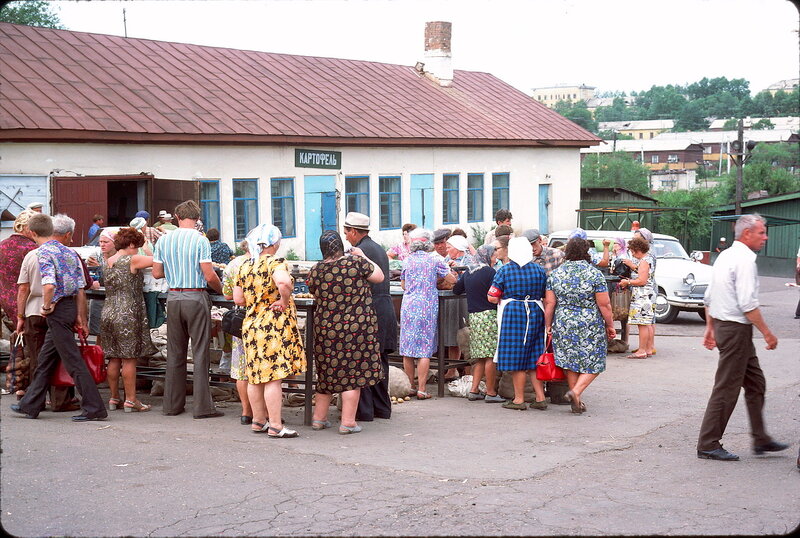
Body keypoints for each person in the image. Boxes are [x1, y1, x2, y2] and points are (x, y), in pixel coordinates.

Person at [697, 214, 788, 461]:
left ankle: (761, 439)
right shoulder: (745, 260)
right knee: (726, 388)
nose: (765, 237)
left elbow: (709, 296)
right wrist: (768, 334)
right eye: (762, 232)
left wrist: (710, 327)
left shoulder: (726, 255)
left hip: (731, 328)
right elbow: (748, 305)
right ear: (747, 233)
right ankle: (708, 443)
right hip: (736, 329)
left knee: (756, 383)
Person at [10, 213, 107, 422]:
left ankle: (94, 407)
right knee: (46, 359)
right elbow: (80, 288)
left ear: (34, 233)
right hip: (69, 307)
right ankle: (30, 404)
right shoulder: (70, 253)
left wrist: (46, 306)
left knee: (72, 361)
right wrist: (81, 317)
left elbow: (49, 284)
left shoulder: (42, 253)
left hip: (56, 309)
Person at [307, 230, 385, 434]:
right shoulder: (356, 263)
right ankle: (348, 422)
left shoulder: (316, 270)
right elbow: (379, 276)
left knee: (326, 373)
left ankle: (319, 419)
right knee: (354, 374)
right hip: (356, 329)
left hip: (326, 329)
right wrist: (363, 255)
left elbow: (313, 290)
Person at [152, 200, 223, 419]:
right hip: (195, 295)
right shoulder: (200, 240)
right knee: (200, 352)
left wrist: (175, 271)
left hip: (173, 296)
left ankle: (172, 405)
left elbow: (156, 273)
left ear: (176, 216)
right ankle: (203, 407)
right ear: (197, 218)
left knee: (175, 352)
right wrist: (220, 289)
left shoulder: (164, 240)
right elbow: (209, 274)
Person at [233, 223, 305, 438]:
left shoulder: (245, 265)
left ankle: (258, 421)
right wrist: (283, 300)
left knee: (255, 377)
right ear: (274, 243)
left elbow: (238, 298)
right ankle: (275, 425)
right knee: (274, 378)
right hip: (272, 326)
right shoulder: (276, 262)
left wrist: (256, 300)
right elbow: (283, 282)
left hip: (251, 325)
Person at [544, 237, 616, 414]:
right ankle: (576, 392)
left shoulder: (556, 274)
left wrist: (548, 326)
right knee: (596, 360)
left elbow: (550, 304)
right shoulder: (594, 274)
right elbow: (604, 304)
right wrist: (610, 325)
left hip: (563, 322)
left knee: (570, 361)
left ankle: (576, 399)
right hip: (589, 322)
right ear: (586, 252)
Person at [343, 212, 397, 421]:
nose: (346, 236)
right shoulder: (378, 249)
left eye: (347, 232)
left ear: (355, 232)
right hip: (384, 308)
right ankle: (381, 408)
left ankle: (364, 411)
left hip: (370, 310)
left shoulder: (360, 252)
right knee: (380, 360)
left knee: (363, 361)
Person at [100, 227, 158, 413]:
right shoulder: (133, 259)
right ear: (132, 244)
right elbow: (158, 261)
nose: (138, 249)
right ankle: (131, 400)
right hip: (127, 312)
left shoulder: (109, 261)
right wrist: (148, 247)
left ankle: (114, 398)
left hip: (108, 311)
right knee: (129, 359)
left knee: (114, 358)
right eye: (137, 246)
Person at [488, 236, 547, 410]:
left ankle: (519, 399)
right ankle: (540, 397)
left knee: (516, 357)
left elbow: (492, 296)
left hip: (513, 313)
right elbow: (545, 294)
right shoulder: (539, 270)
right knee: (534, 356)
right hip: (536, 312)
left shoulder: (504, 271)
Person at [399, 228, 453, 399]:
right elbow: (452, 279)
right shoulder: (434, 261)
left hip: (408, 306)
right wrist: (437, 279)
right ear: (428, 243)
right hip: (426, 306)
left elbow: (403, 285)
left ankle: (411, 386)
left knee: (408, 349)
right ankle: (422, 389)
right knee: (424, 350)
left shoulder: (407, 261)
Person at [453, 245, 504, 402]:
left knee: (480, 357)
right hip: (489, 316)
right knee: (490, 356)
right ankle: (490, 392)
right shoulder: (490, 272)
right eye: (494, 257)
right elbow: (499, 291)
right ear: (487, 256)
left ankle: (474, 390)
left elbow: (456, 290)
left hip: (474, 317)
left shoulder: (469, 272)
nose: (495, 260)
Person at [0, 210, 37, 397]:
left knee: (17, 341)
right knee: (30, 344)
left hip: (5, 299)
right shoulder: (31, 249)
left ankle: (15, 383)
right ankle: (25, 386)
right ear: (29, 228)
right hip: (25, 300)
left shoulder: (3, 245)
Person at [222, 241, 253, 425]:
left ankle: (246, 411)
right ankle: (263, 412)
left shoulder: (234, 264)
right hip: (263, 317)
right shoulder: (267, 262)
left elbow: (227, 294)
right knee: (261, 366)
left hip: (240, 319)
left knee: (241, 367)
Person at [618, 236, 654, 359]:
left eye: (633, 251)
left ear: (638, 249)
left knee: (641, 323)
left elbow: (642, 280)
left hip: (642, 295)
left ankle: (642, 350)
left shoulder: (644, 261)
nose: (632, 254)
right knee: (646, 323)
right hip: (648, 294)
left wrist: (627, 282)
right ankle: (648, 349)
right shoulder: (649, 259)